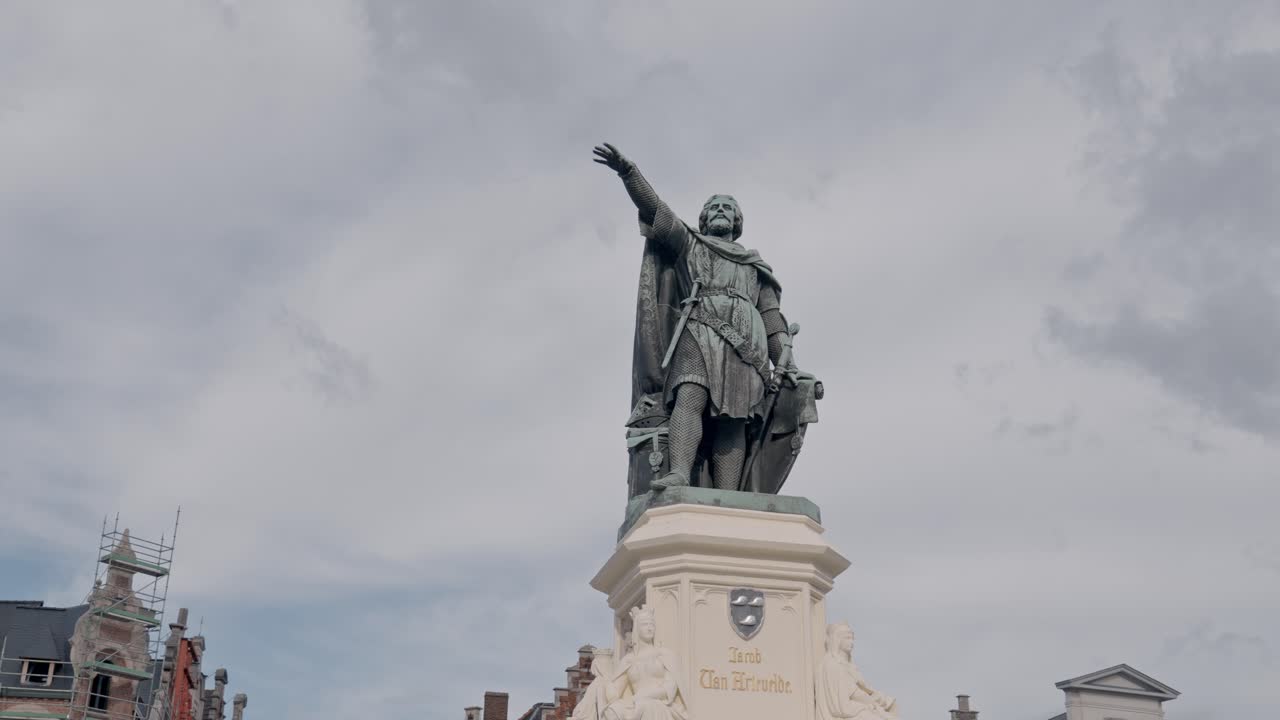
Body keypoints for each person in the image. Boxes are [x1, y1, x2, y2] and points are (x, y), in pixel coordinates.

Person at [594, 143, 800, 492]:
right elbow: (657, 210)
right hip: (699, 330)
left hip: (745, 345)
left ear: (737, 222)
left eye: (728, 208)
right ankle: (679, 473)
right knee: (690, 396)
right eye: (714, 207)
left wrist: (786, 361)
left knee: (734, 420)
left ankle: (728, 493)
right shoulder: (690, 244)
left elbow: (772, 318)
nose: (720, 211)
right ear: (704, 219)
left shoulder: (754, 267)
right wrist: (629, 174)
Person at [602, 605, 688, 720]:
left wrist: (643, 696)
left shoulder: (664, 655)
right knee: (613, 709)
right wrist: (605, 680)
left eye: (652, 625)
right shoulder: (628, 660)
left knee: (646, 706)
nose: (649, 628)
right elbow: (615, 693)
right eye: (645, 624)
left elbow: (670, 688)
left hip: (660, 704)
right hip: (636, 704)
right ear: (637, 629)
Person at [815, 623, 898, 720]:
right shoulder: (833, 665)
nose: (851, 642)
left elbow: (861, 690)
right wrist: (872, 704)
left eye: (852, 638)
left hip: (856, 707)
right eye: (847, 638)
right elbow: (843, 704)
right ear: (837, 639)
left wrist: (877, 701)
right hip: (848, 711)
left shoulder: (848, 666)